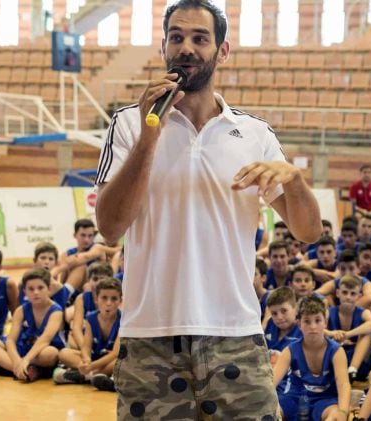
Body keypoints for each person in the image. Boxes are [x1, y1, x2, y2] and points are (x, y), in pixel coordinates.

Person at [94, 1, 322, 417]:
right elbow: (110, 228)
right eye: (176, 37)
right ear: (163, 46)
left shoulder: (254, 134)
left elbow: (309, 232)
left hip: (236, 334)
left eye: (200, 39)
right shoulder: (127, 124)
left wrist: (296, 179)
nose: (187, 48)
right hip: (150, 338)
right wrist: (150, 136)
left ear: (223, 50)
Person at [0, 268, 65, 381]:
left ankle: (5, 368)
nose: (36, 292)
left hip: (40, 351)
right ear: (25, 292)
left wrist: (26, 360)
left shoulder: (56, 311)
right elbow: (11, 340)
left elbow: (45, 340)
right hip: (22, 348)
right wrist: (17, 360)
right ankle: (23, 370)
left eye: (40, 288)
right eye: (31, 289)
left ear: (49, 288)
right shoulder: (21, 310)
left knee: (51, 353)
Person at [273, 296, 350, 420]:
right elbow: (272, 381)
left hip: (325, 400)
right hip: (294, 398)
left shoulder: (336, 351)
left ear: (325, 322)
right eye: (307, 321)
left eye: (317, 320)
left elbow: (343, 384)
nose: (313, 326)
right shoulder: (289, 351)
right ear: (299, 324)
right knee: (270, 414)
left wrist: (343, 411)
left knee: (337, 416)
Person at [55, 277, 122, 391]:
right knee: (63, 353)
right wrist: (86, 361)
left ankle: (82, 376)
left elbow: (115, 353)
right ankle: (95, 376)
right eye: (104, 298)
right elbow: (86, 347)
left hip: (110, 360)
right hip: (95, 358)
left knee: (122, 361)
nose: (108, 303)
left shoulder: (123, 320)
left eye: (114, 299)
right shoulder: (91, 317)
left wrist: (91, 367)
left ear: (120, 301)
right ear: (96, 299)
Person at [325, 275, 371, 382]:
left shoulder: (364, 312)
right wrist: (332, 333)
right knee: (319, 333)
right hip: (335, 359)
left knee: (367, 331)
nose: (348, 297)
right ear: (337, 293)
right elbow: (317, 329)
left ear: (359, 296)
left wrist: (347, 334)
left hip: (360, 364)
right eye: (345, 292)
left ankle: (352, 370)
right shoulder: (328, 312)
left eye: (353, 293)